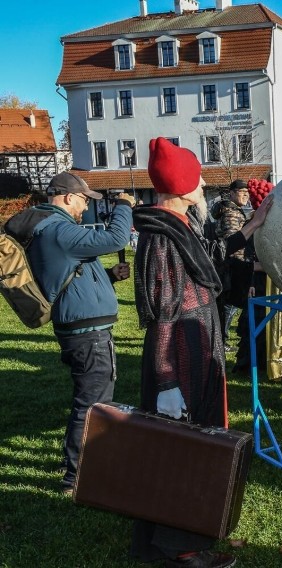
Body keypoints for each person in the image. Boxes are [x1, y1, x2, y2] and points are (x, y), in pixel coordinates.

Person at [130, 137, 273, 568]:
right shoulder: (162, 239)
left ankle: (156, 541)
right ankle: (183, 549)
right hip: (181, 362)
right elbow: (163, 318)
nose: (205, 183)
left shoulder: (180, 227)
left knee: (178, 449)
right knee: (183, 452)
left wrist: (251, 227)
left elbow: (210, 258)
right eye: (197, 177)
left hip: (193, 354)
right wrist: (168, 382)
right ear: (182, 185)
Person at [16, 172, 133, 495]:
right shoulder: (58, 230)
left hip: (81, 327)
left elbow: (69, 274)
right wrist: (124, 205)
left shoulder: (53, 230)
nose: (85, 207)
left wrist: (108, 276)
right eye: (83, 200)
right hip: (87, 333)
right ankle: (77, 474)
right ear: (68, 197)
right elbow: (115, 239)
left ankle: (76, 463)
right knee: (93, 403)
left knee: (88, 397)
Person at [214, 179, 253, 352]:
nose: (246, 194)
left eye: (247, 191)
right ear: (231, 193)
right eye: (241, 191)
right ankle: (220, 340)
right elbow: (231, 242)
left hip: (232, 264)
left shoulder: (234, 210)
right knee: (229, 305)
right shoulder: (231, 213)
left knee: (230, 304)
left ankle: (221, 339)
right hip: (231, 265)